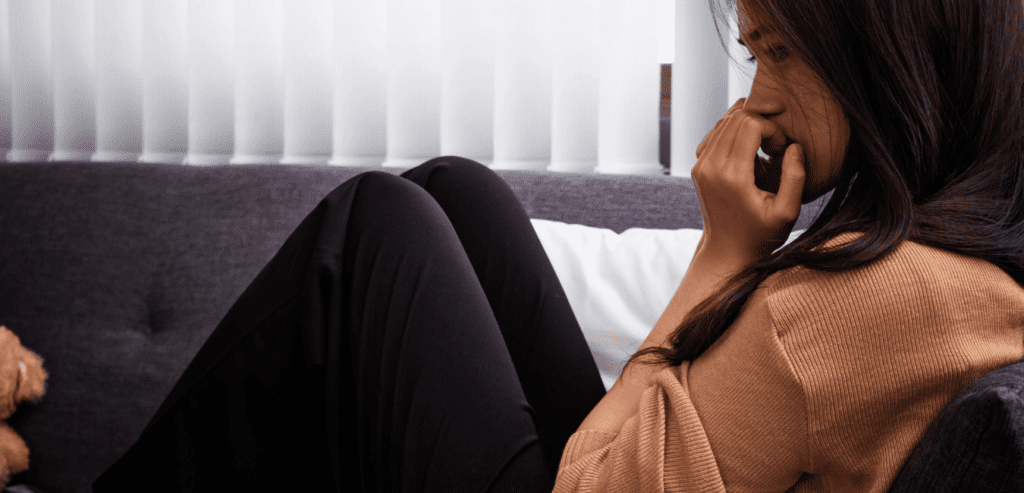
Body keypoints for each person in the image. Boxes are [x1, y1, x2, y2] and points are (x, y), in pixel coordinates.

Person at [92, 0, 1024, 490]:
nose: (757, 97)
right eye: (753, 55)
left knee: (372, 233)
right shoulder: (956, 278)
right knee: (456, 191)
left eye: (779, 52)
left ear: (894, 54)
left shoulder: (858, 302)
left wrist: (720, 259)